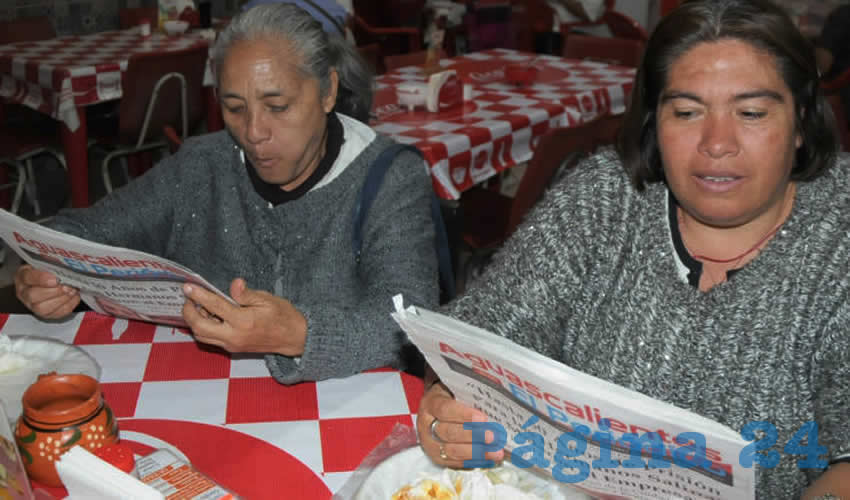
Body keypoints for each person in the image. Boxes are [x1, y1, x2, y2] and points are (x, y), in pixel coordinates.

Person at [416, 0, 849, 498]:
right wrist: (448, 401)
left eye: (751, 112)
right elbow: (480, 333)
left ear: (800, 124)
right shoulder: (604, 198)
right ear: (654, 123)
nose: (716, 142)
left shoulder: (840, 233)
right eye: (686, 112)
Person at [13, 3, 439, 385]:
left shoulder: (389, 177)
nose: (254, 133)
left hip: (348, 415)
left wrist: (299, 335)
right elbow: (87, 229)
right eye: (235, 109)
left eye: (278, 107)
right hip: (200, 399)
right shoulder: (202, 163)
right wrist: (45, 271)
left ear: (328, 91)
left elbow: (411, 327)